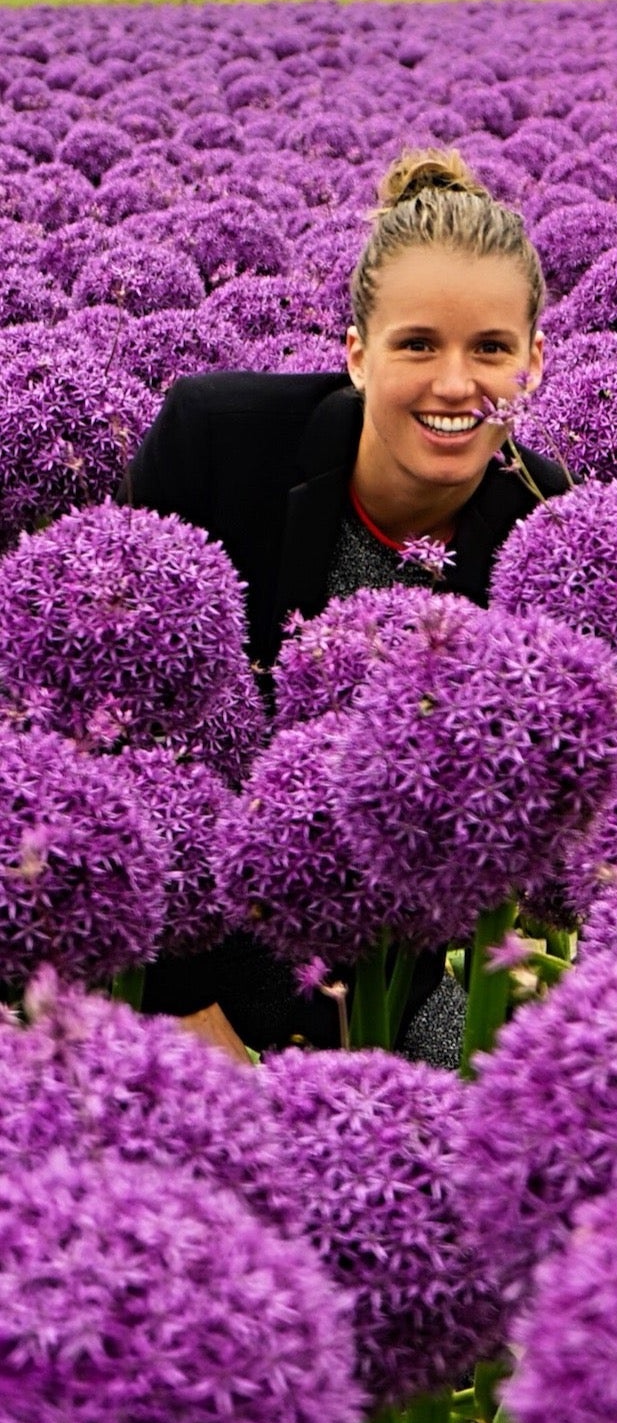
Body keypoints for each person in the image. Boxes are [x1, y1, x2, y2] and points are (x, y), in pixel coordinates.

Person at [128, 148, 572, 1050]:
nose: (455, 385)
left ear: (532, 365)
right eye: (418, 344)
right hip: (186, 942)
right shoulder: (218, 445)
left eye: (490, 349)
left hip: (392, 973)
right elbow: (121, 746)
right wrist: (178, 1008)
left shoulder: (546, 525)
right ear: (358, 357)